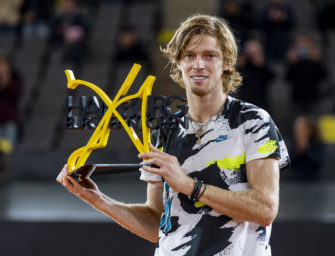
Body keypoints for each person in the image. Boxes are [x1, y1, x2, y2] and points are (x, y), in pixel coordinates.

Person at [57, 14, 290, 256]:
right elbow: (159, 222)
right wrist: (98, 199)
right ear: (178, 62)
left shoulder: (253, 122)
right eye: (189, 55)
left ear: (227, 62)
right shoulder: (165, 130)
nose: (198, 65)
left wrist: (189, 186)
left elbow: (265, 209)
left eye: (209, 55)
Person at [290, 114, 325, 181]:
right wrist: (298, 151)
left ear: (310, 129)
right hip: (295, 182)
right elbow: (289, 163)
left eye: (302, 129)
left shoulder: (318, 143)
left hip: (313, 182)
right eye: (297, 129)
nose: (299, 132)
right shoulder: (293, 144)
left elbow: (318, 162)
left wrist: (307, 148)